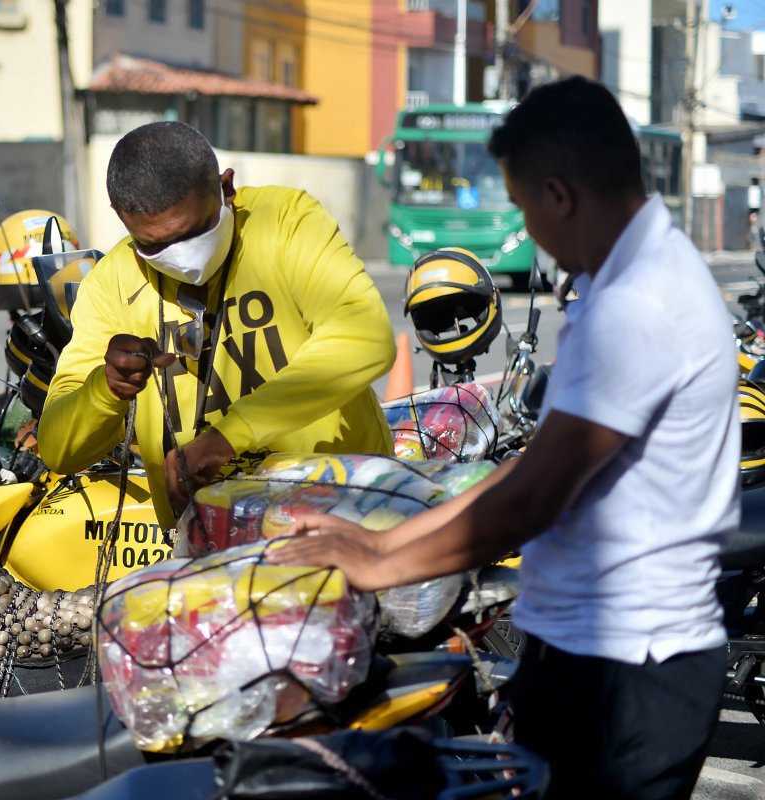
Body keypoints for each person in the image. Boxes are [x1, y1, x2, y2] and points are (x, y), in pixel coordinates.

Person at [268, 76, 739, 799]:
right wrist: (381, 540)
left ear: (558, 195)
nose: (528, 229)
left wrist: (380, 567)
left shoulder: (639, 307)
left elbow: (533, 501)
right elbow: (527, 469)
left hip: (630, 672)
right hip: (595, 655)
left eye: (520, 207)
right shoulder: (629, 282)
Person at [38, 121, 396, 528]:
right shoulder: (111, 283)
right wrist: (106, 389)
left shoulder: (283, 221)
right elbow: (57, 449)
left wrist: (228, 437)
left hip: (347, 516)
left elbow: (366, 337)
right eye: (154, 245)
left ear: (226, 189)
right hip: (212, 547)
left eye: (194, 233)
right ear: (123, 220)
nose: (182, 259)